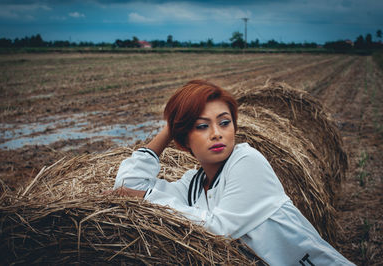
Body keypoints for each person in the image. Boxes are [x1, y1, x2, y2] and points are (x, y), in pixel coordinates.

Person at [109, 80, 353, 265]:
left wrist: (146, 198)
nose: (217, 133)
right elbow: (129, 185)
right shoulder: (193, 185)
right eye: (202, 126)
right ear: (183, 140)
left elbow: (218, 230)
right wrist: (170, 129)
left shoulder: (247, 161)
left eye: (224, 122)